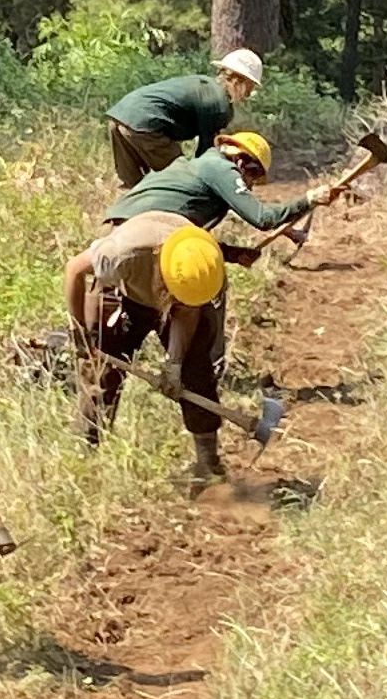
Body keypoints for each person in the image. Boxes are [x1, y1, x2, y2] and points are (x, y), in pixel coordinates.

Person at [66, 210, 232, 486]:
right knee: (101, 372)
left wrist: (174, 364)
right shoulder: (122, 255)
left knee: (196, 369)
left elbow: (186, 313)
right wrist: (80, 332)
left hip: (176, 297)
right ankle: (86, 457)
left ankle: (208, 463)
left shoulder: (204, 268)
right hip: (121, 293)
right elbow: (73, 269)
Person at [105, 125, 320, 246]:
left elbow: (194, 237)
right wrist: (309, 199)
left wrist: (231, 254)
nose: (251, 184)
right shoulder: (222, 170)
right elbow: (263, 218)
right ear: (241, 161)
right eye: (253, 174)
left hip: (116, 227)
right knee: (206, 291)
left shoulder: (200, 166)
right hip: (150, 232)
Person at [105, 49, 264, 194]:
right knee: (181, 179)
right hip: (144, 125)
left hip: (119, 117)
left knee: (131, 185)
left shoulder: (204, 84)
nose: (249, 94)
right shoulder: (220, 105)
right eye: (250, 87)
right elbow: (205, 156)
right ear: (238, 81)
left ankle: (120, 221)